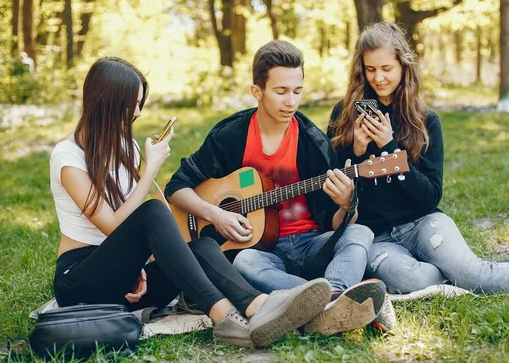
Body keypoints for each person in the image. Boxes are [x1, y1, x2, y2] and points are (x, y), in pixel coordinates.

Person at [49, 57, 336, 348]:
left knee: (204, 246)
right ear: (104, 102)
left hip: (127, 283)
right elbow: (112, 225)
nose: (136, 112)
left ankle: (258, 306)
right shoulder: (68, 157)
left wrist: (136, 267)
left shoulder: (126, 148)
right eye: (130, 104)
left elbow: (126, 238)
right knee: (152, 211)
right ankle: (224, 319)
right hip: (80, 284)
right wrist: (151, 170)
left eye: (140, 103)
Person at [327, 22, 509, 312]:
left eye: (387, 68)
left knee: (472, 274)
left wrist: (390, 148)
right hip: (374, 235)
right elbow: (334, 190)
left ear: (403, 66)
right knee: (409, 278)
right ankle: (460, 276)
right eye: (370, 69)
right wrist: (357, 151)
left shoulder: (425, 120)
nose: (378, 78)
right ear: (360, 69)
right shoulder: (343, 115)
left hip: (422, 222)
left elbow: (429, 197)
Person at [166, 41, 388, 336]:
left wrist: (347, 206)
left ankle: (327, 298)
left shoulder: (312, 142)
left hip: (311, 245)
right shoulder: (231, 136)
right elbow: (176, 187)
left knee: (360, 232)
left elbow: (336, 224)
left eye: (297, 91)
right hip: (260, 253)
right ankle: (335, 304)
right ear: (257, 91)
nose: (291, 102)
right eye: (281, 91)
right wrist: (217, 215)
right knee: (244, 262)